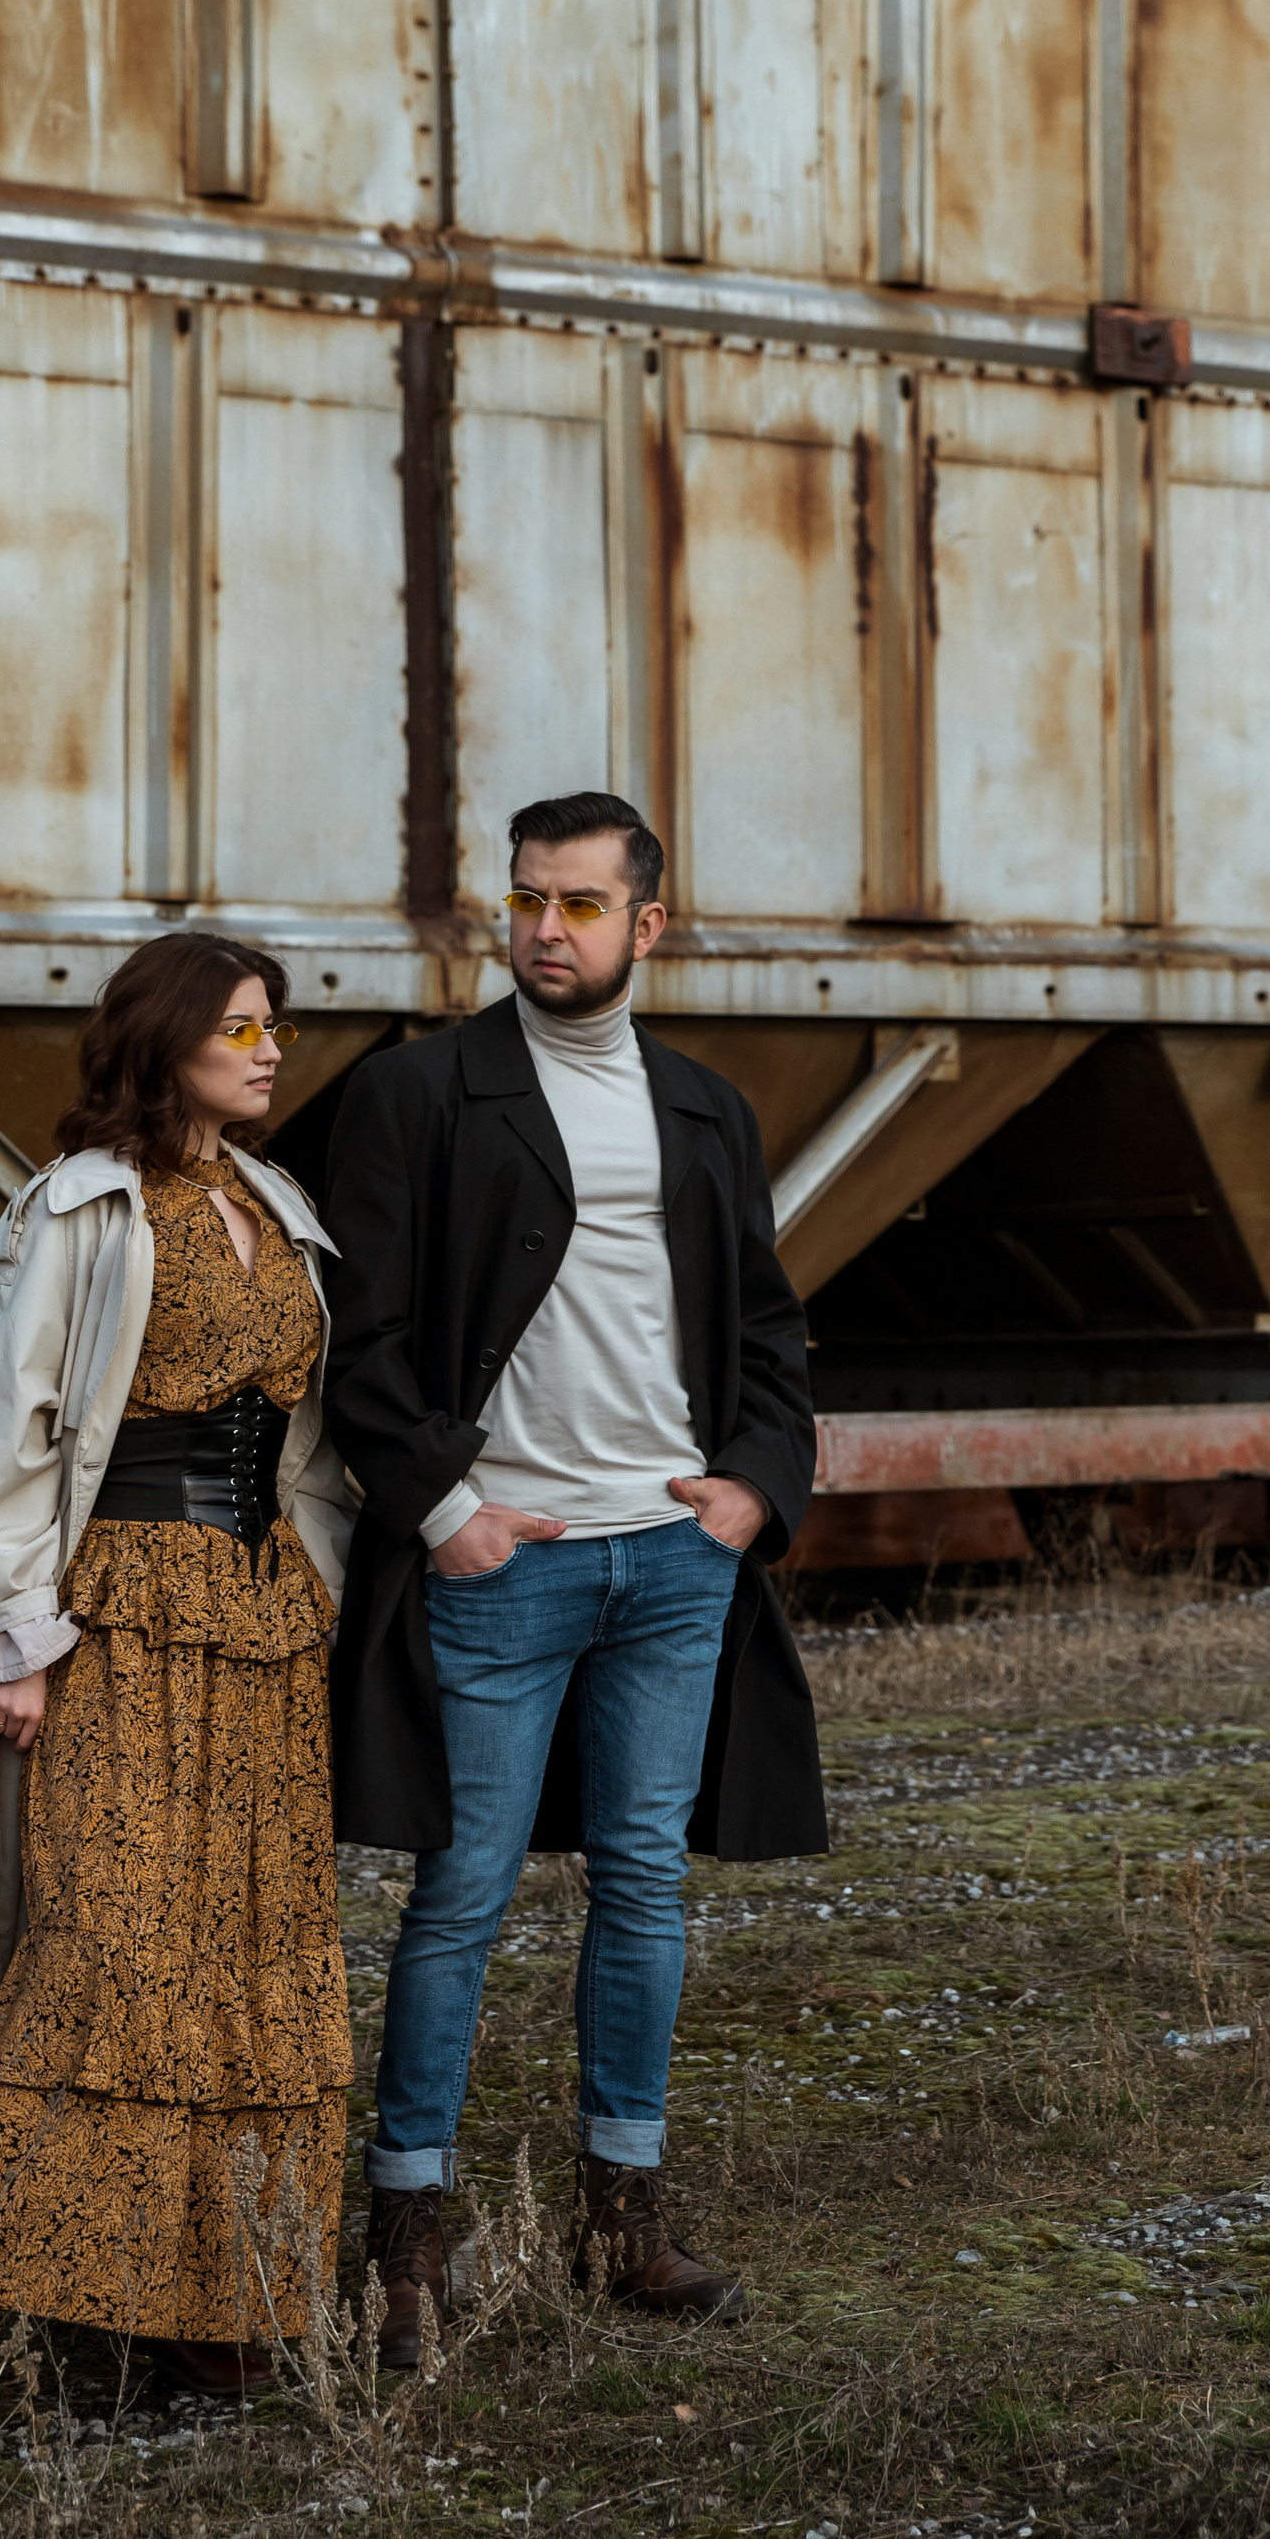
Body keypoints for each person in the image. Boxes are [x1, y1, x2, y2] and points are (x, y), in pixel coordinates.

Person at [323, 789, 823, 2367]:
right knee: (460, 1895)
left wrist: (753, 1486)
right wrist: (448, 1507)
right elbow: (364, 1347)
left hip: (672, 1560)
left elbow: (765, 1324)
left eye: (581, 905)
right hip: (505, 1563)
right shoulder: (419, 1096)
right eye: (528, 900)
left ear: (647, 924)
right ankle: (403, 2239)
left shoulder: (703, 1110)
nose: (546, 929)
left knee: (645, 1889)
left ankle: (625, 2219)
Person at [0, 930, 355, 2464]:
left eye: (273, 1026)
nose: (269, 1051)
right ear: (163, 1048)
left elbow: (301, 1435)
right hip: (123, 1624)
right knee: (106, 1956)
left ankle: (212, 2321)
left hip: (267, 1633)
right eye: (236, 1029)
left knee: (251, 1957)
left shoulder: (272, 1207)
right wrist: (17, 1638)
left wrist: (329, 1582)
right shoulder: (80, 1210)